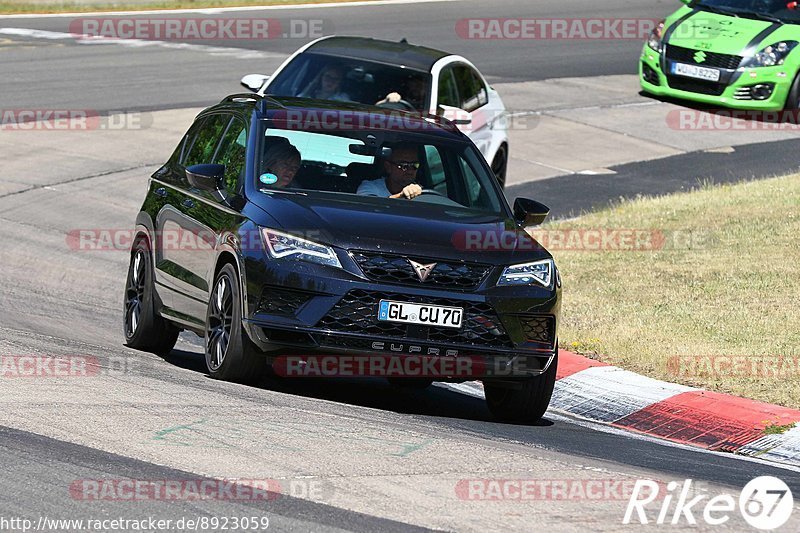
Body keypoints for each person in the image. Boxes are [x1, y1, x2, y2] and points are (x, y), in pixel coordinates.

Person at [357, 144, 423, 199]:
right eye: (404, 166)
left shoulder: (422, 191)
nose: (410, 171)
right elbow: (369, 208)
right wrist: (402, 195)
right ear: (388, 167)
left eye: (415, 165)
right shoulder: (370, 187)